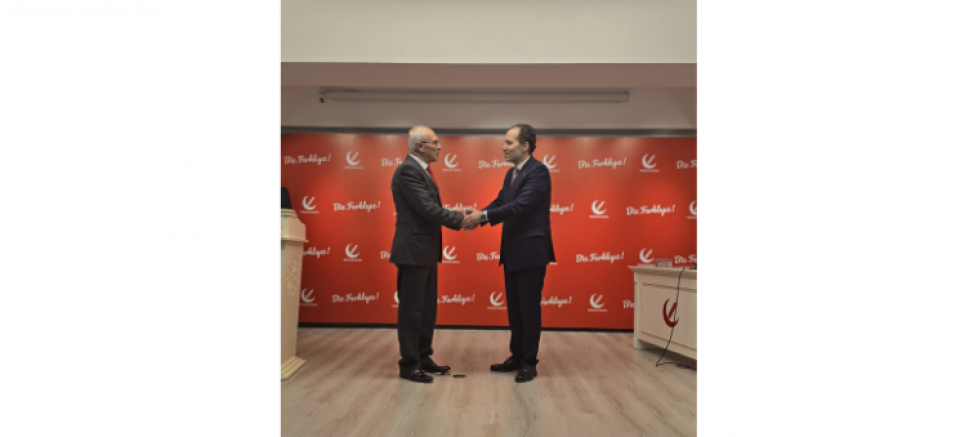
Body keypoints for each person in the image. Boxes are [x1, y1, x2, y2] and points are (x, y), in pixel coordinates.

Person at [461, 123, 555, 383]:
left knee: (529, 309)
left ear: (525, 146)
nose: (503, 147)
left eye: (509, 143)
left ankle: (529, 362)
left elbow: (520, 206)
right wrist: (478, 216)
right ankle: (517, 356)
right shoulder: (511, 174)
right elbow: (502, 202)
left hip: (530, 252)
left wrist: (483, 216)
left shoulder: (538, 171)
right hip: (513, 251)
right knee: (515, 310)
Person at [390, 125, 481, 383]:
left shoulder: (421, 170)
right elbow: (427, 209)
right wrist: (462, 220)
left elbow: (429, 209)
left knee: (426, 309)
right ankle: (409, 364)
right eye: (435, 142)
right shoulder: (409, 170)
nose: (440, 147)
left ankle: (423, 357)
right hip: (413, 251)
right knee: (412, 311)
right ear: (420, 146)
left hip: (425, 251)